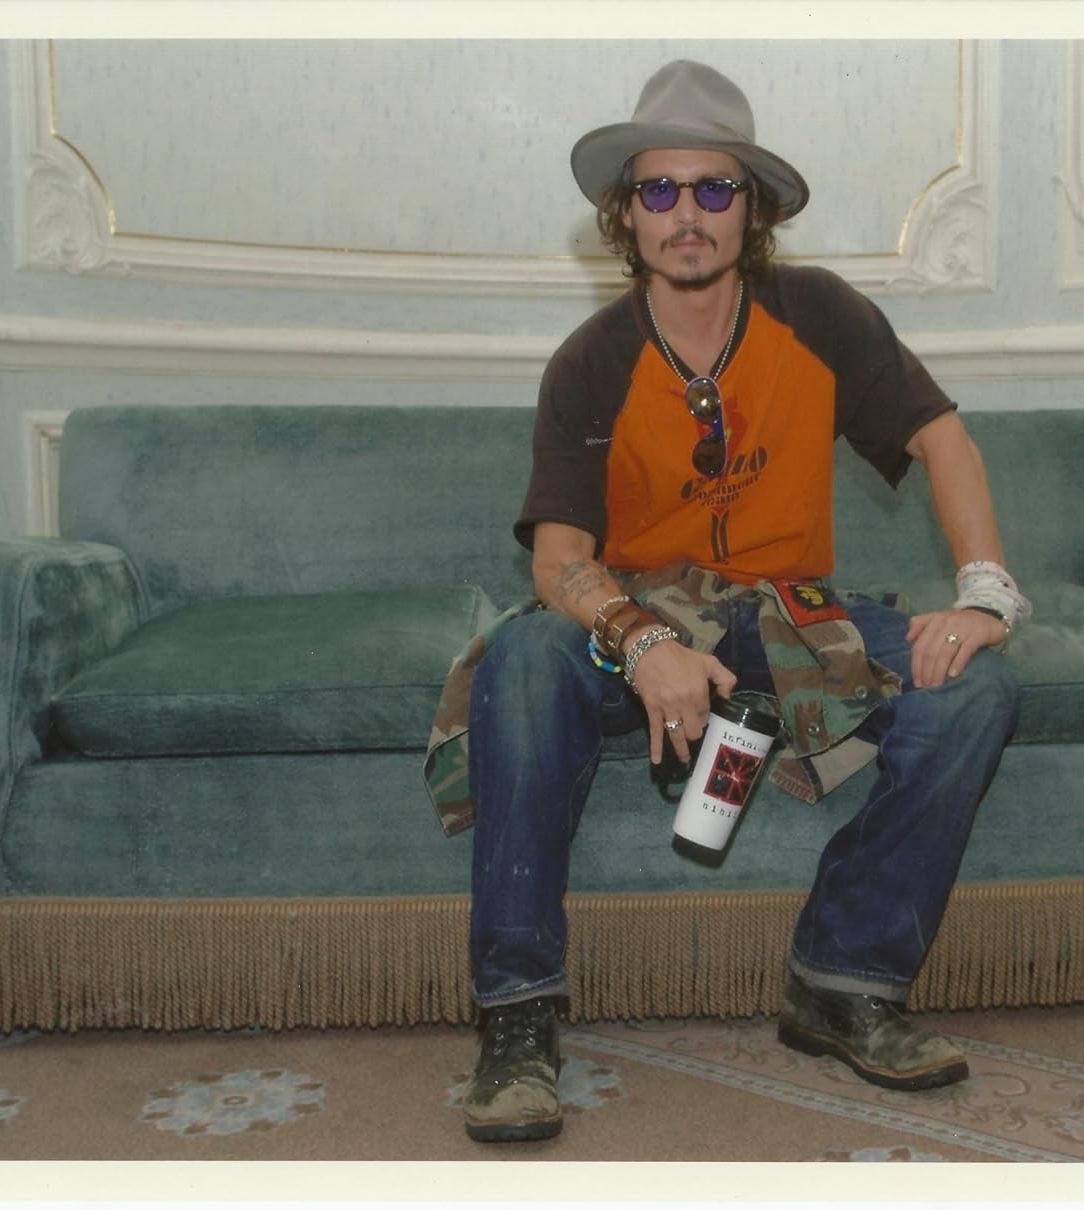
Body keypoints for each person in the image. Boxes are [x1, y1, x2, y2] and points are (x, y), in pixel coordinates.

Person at [431, 59, 1028, 1144]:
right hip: (636, 615)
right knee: (521, 661)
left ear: (753, 210)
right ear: (625, 213)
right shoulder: (591, 360)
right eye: (659, 189)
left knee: (974, 690)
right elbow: (559, 561)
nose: (687, 213)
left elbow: (943, 439)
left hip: (789, 612)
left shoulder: (819, 315)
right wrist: (642, 638)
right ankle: (516, 1018)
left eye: (714, 188)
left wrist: (985, 594)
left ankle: (842, 983)